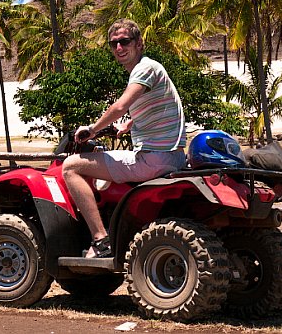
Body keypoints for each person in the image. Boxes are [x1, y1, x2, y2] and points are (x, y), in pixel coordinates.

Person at [61, 19, 187, 258]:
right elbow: (157, 106)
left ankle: (100, 240)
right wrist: (130, 123)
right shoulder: (148, 70)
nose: (119, 47)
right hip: (171, 157)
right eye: (114, 43)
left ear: (139, 43)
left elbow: (120, 105)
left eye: (124, 41)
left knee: (71, 167)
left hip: (153, 159)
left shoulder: (144, 69)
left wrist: (93, 129)